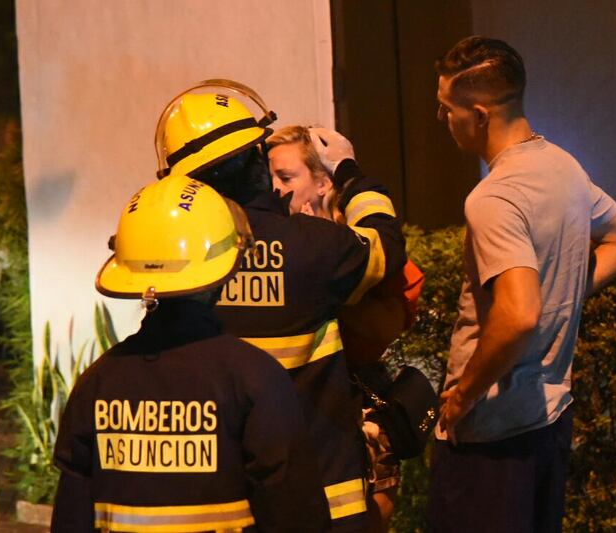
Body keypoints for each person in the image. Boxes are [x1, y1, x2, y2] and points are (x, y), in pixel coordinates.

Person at [154, 80, 407, 531]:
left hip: (227, 506)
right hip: (327, 496)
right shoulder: (315, 247)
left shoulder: (178, 260)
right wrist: (349, 173)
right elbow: (385, 250)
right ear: (256, 158)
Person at [429, 36, 616, 532]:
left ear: (479, 115)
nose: (442, 121)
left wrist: (462, 396)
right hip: (549, 424)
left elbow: (519, 314)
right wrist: (564, 291)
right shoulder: (563, 167)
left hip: (490, 439)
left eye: (447, 109)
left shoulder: (493, 198)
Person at [51, 174, 331, 532]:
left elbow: (72, 519)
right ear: (224, 268)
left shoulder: (97, 383)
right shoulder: (255, 379)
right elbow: (295, 516)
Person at [268, 125, 423, 532]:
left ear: (322, 183)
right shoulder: (269, 248)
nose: (274, 188)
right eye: (268, 177)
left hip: (353, 414)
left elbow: (390, 315)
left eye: (286, 177)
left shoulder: (344, 244)